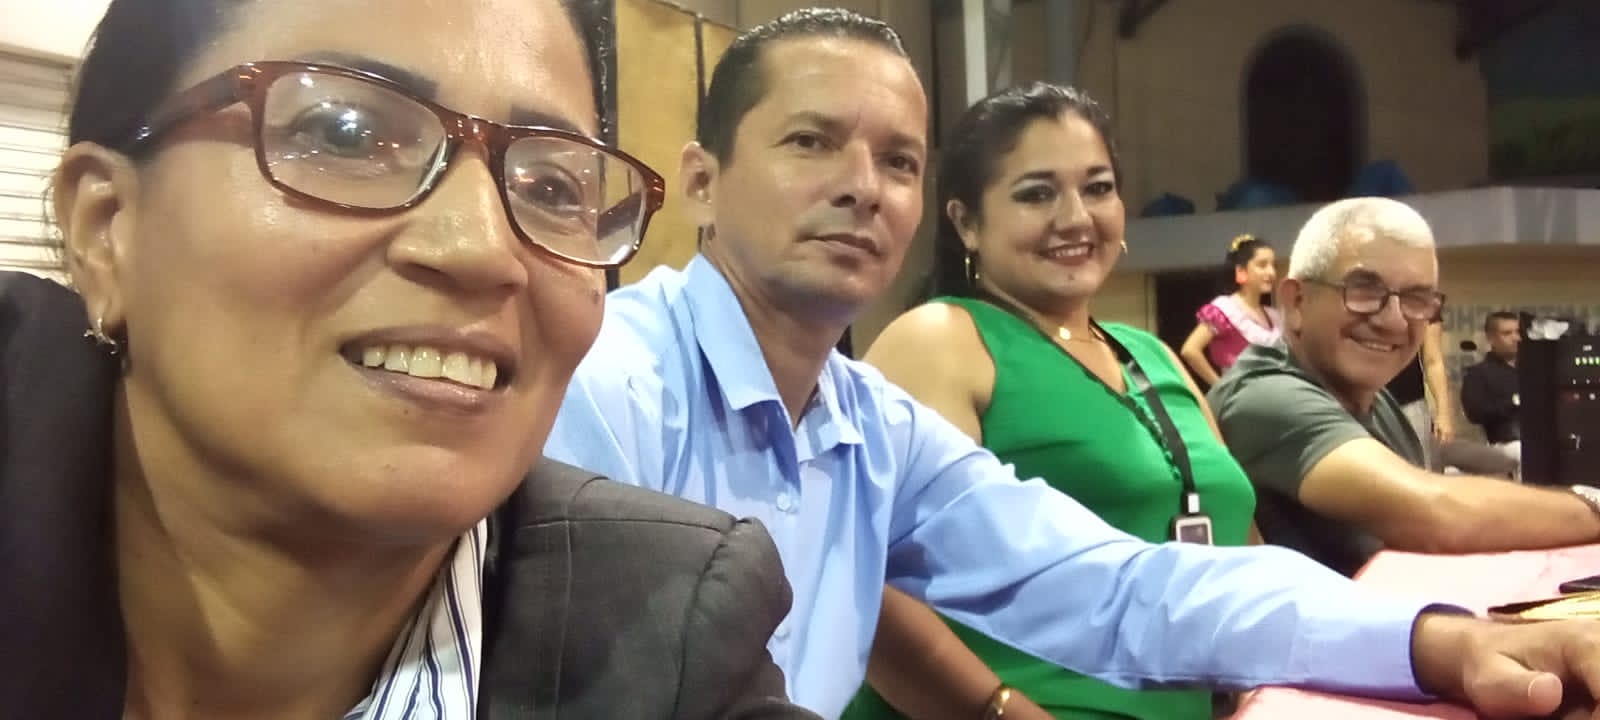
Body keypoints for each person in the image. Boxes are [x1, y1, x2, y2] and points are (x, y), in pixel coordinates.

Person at [546, 8, 1600, 719]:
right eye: (811, 141)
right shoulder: (604, 384)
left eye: (897, 159)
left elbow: (1120, 585)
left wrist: (1436, 643)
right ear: (700, 180)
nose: (863, 186)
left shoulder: (868, 427)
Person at [6, 0, 817, 717]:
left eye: (552, 189)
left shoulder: (670, 633)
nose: (482, 249)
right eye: (344, 133)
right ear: (106, 228)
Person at [839, 81, 1257, 720]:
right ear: (966, 223)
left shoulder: (1152, 354)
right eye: (1037, 193)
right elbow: (867, 587)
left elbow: (1240, 542)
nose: (1076, 217)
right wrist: (1001, 710)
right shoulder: (941, 340)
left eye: (1098, 188)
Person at [1209, 197, 1600, 577]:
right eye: (1364, 291)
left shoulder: (1375, 401)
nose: (1394, 321)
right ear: (1296, 302)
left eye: (1416, 298)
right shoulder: (1264, 395)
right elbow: (1435, 514)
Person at [1179, 234, 1281, 385]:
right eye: (1262, 265)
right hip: (1242, 395)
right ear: (1241, 270)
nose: (1271, 272)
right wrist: (1221, 387)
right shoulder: (1225, 309)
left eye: (1273, 265)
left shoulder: (1274, 316)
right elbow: (1190, 350)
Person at [1461, 310, 1522, 457]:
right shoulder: (1479, 374)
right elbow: (1475, 412)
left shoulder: (1534, 370)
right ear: (1491, 338)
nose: (1516, 338)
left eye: (1518, 332)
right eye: (1507, 333)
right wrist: (1514, 402)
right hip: (1507, 443)